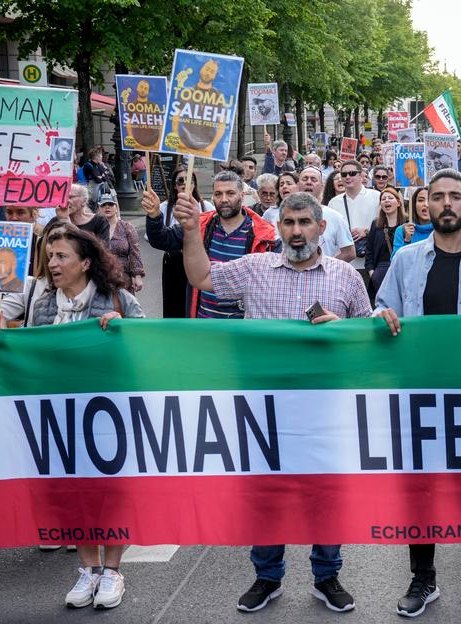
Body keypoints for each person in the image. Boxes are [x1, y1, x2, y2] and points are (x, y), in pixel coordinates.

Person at [174, 191, 369, 614]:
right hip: (263, 410)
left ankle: (327, 575)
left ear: (321, 227)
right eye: (288, 223)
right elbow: (202, 277)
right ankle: (267, 576)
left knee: (324, 495)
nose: (296, 231)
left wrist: (345, 332)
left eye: (304, 223)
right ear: (278, 228)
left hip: (324, 410)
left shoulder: (345, 277)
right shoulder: (254, 268)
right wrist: (192, 232)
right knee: (266, 495)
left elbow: (366, 342)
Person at [374, 168, 461, 622]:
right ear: (428, 204)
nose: (447, 204)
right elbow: (383, 305)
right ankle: (423, 578)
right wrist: (383, 316)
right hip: (418, 393)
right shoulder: (406, 259)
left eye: (456, 196)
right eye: (438, 197)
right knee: (422, 489)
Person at [0, 227, 144, 610]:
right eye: (50, 257)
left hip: (109, 417)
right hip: (58, 417)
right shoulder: (42, 305)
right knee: (73, 494)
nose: (52, 264)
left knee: (110, 494)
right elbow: (31, 355)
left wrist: (123, 331)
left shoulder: (118, 299)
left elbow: (146, 347)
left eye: (61, 257)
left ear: (85, 263)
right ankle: (88, 570)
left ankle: (113, 571)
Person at [144, 170, 278, 318]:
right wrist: (154, 215)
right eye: (218, 194)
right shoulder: (198, 224)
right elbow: (161, 239)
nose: (224, 199)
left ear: (242, 196)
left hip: (243, 327)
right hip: (204, 323)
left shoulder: (264, 235)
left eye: (230, 193)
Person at [143, 167, 212, 318]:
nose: (184, 184)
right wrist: (154, 216)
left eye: (189, 180)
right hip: (174, 263)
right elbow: (157, 238)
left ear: (194, 184)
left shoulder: (206, 207)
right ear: (174, 185)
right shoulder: (164, 207)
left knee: (198, 305)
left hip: (199, 263)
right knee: (174, 306)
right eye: (180, 180)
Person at [328, 159, 381, 280]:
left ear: (361, 175)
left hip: (370, 264)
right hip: (343, 264)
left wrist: (366, 231)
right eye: (344, 174)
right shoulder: (334, 202)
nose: (347, 177)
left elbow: (386, 226)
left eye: (352, 173)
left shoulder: (376, 196)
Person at [298, 166, 355, 263]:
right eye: (305, 179)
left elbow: (349, 253)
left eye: (313, 179)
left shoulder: (334, 217)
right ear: (298, 184)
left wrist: (326, 265)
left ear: (321, 186)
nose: (308, 182)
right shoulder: (284, 215)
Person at [98, 191, 145, 293]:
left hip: (123, 278)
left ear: (116, 208)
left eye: (110, 204)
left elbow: (134, 252)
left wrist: (137, 276)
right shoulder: (95, 228)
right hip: (102, 278)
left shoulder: (127, 227)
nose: (107, 207)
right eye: (103, 205)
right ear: (99, 209)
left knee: (125, 307)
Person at [364, 188, 406, 294]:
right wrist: (372, 273)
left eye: (390, 198)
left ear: (398, 203)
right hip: (381, 274)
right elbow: (369, 251)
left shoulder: (407, 224)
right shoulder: (376, 224)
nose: (386, 200)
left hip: (402, 272)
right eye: (383, 199)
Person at [392, 187, 432, 257]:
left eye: (430, 200)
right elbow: (395, 262)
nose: (426, 204)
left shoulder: (442, 230)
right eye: (421, 200)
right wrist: (407, 241)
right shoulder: (402, 230)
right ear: (414, 204)